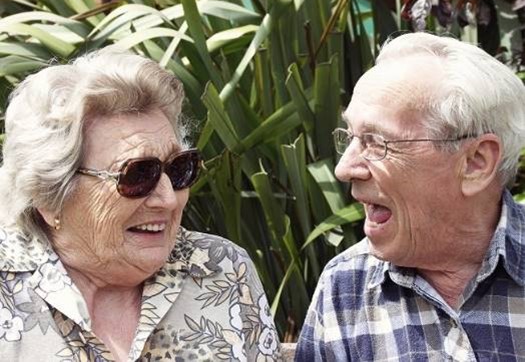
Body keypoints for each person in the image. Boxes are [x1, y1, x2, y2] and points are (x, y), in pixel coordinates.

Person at [0, 49, 281, 361]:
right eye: (137, 174)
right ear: (48, 195)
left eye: (178, 169)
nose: (167, 198)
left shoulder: (221, 269)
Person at [295, 32, 525, 361]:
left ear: (475, 162)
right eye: (351, 137)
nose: (345, 168)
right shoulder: (346, 287)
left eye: (376, 142)